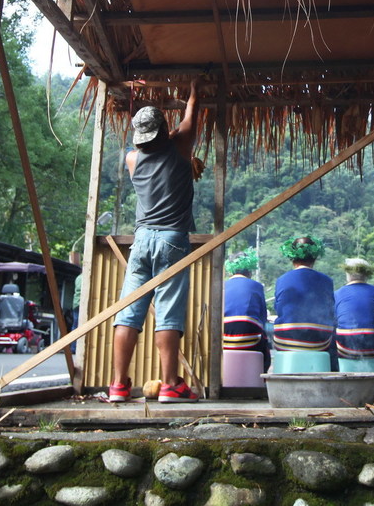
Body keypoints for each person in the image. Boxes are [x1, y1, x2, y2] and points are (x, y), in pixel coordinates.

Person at [109, 80, 201, 404]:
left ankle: (118, 386)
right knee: (168, 313)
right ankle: (170, 385)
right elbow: (192, 113)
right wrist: (195, 88)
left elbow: (169, 136)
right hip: (172, 240)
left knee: (128, 313)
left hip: (141, 241)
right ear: (164, 130)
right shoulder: (180, 147)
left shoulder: (132, 159)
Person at [272, 236, 335, 362]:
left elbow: (278, 308)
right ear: (315, 258)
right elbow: (331, 311)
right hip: (319, 343)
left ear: (292, 258)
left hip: (285, 341)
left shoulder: (282, 280)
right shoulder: (327, 281)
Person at [222, 247, 270, 371]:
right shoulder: (257, 286)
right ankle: (260, 375)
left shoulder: (222, 286)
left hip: (224, 338)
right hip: (250, 337)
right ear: (249, 271)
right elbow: (263, 318)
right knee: (264, 340)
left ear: (230, 270)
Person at [333, 257, 374, 360]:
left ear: (348, 274)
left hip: (347, 348)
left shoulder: (338, 293)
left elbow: (335, 320)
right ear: (367, 274)